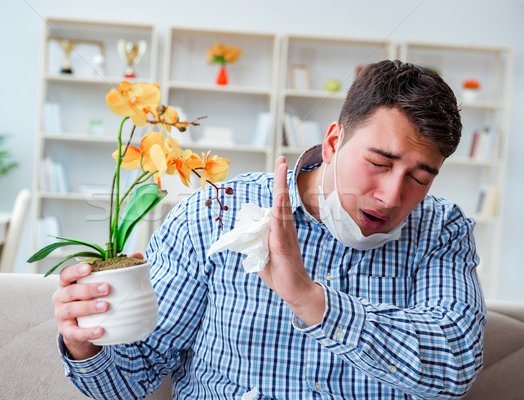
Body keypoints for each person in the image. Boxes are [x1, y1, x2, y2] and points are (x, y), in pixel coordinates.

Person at [53, 60, 485, 399]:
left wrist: (313, 302)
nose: (392, 196)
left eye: (420, 178)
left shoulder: (441, 230)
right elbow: (128, 380)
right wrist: (85, 343)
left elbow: (455, 366)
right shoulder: (212, 213)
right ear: (333, 142)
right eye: (378, 163)